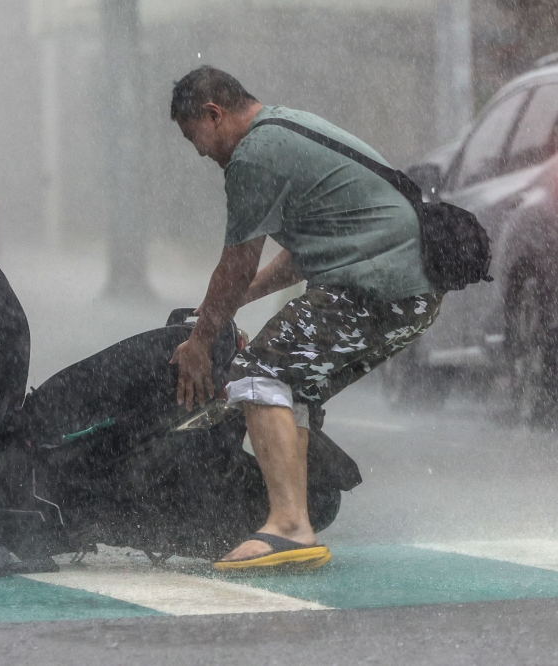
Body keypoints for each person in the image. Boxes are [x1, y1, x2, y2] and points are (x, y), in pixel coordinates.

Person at [168, 67, 441, 571]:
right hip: (413, 292)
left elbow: (237, 262)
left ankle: (290, 526)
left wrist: (201, 340)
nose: (199, 152)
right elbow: (298, 256)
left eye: (194, 137)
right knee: (291, 382)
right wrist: (228, 307)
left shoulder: (254, 155)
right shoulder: (286, 128)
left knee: (258, 372)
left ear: (214, 114)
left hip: (378, 285)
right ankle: (299, 513)